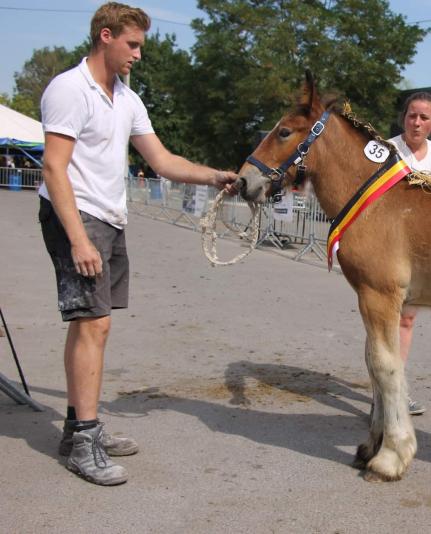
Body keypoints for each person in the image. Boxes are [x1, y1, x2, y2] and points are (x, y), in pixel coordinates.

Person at [38, 2, 238, 486]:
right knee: (94, 325)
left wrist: (215, 177)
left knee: (91, 325)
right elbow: (53, 168)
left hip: (109, 217)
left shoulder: (125, 96)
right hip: (76, 217)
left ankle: (77, 428)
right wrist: (79, 238)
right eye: (133, 45)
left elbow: (162, 159)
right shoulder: (69, 88)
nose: (138, 55)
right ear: (105, 36)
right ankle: (85, 441)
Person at [387, 92, 431, 415]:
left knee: (407, 319)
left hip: (420, 255)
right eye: (411, 115)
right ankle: (385, 388)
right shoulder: (385, 150)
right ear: (404, 117)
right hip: (387, 250)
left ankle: (396, 388)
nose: (416, 122)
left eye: (423, 117)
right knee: (383, 319)